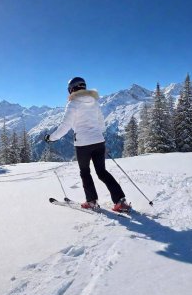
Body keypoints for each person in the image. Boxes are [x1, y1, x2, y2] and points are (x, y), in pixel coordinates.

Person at [44, 77, 131, 212]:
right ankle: (120, 201)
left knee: (85, 172)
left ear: (72, 89)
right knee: (102, 172)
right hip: (99, 142)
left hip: (83, 144)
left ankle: (91, 201)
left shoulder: (73, 104)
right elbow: (102, 124)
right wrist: (96, 135)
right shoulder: (94, 102)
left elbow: (65, 126)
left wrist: (51, 138)